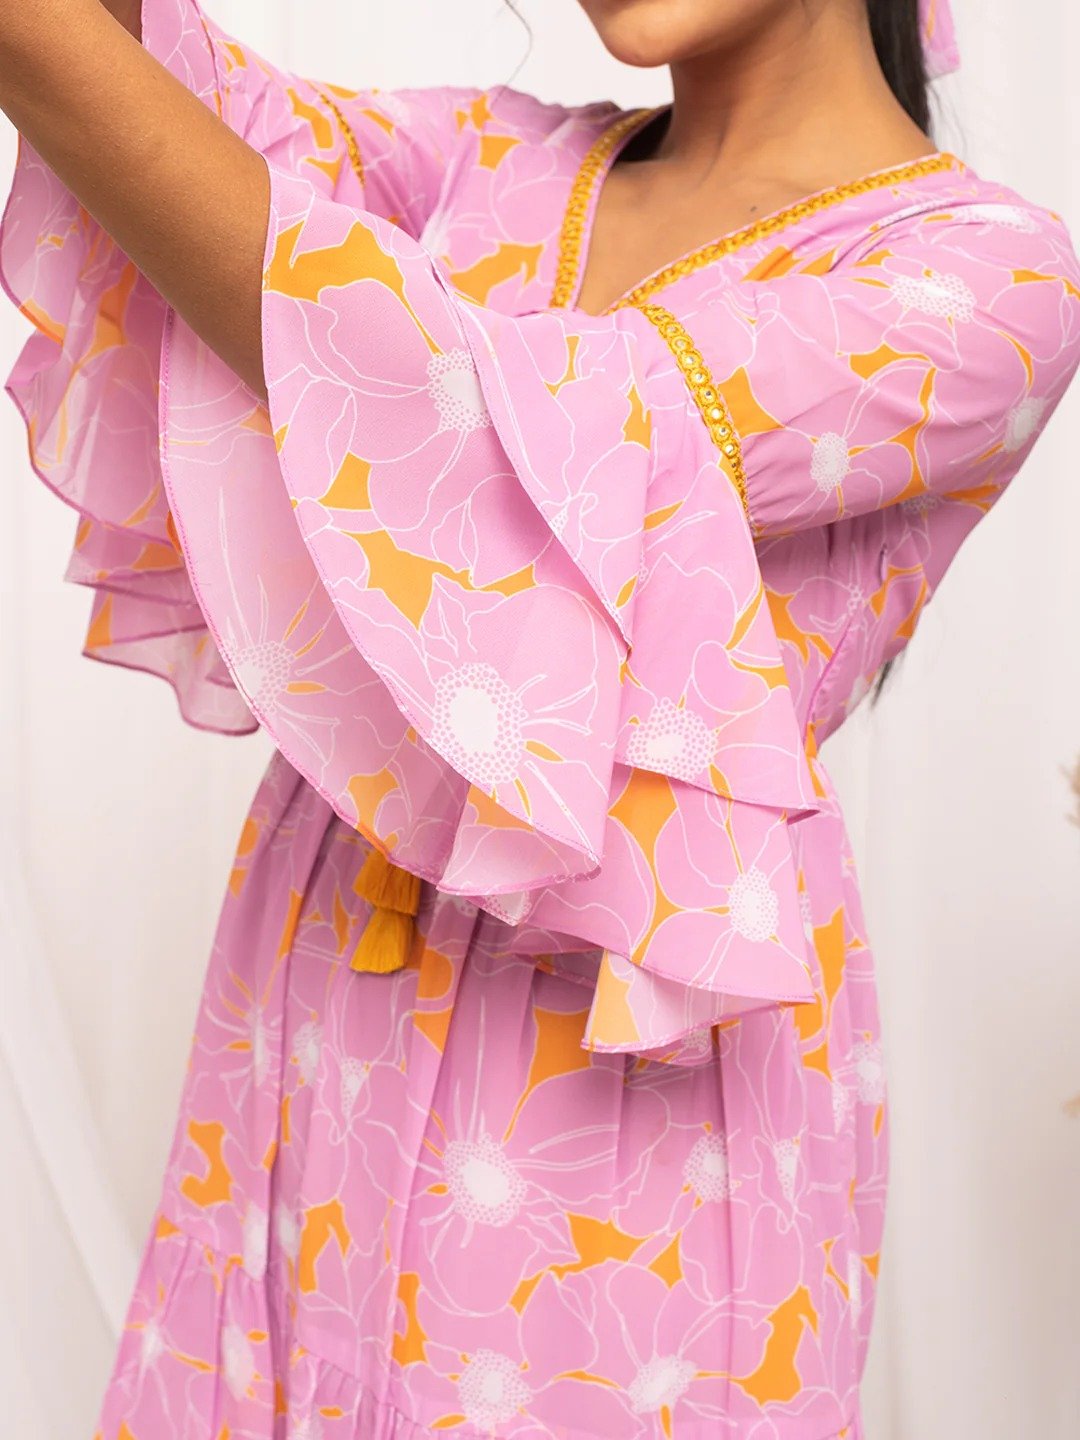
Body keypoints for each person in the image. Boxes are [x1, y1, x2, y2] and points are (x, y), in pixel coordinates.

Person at [0, 0, 1076, 1435]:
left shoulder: (984, 281)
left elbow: (511, 425)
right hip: (324, 980)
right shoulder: (479, 163)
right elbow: (183, 112)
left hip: (631, 1052)